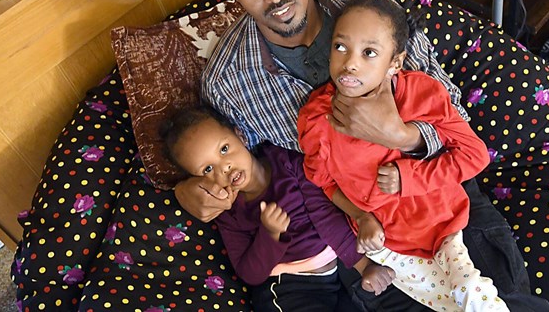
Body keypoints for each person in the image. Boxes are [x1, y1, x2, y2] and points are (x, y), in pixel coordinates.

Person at [174, 0, 549, 311]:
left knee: (503, 302)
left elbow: (456, 120)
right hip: (365, 234)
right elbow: (237, 164)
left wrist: (404, 136)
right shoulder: (228, 83)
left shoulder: (372, 14)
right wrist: (190, 190)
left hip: (443, 204)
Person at [298, 0, 508, 311]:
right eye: (340, 47)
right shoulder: (316, 118)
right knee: (449, 306)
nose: (350, 63)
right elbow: (324, 182)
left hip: (443, 223)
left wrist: (409, 175)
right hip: (387, 245)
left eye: (369, 53)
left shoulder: (421, 95)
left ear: (395, 63)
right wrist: (361, 216)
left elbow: (474, 155)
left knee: (470, 290)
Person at [162, 106, 397, 311]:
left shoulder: (287, 161)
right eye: (207, 170)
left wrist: (364, 265)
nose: (224, 167)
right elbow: (250, 274)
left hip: (335, 273)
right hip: (288, 289)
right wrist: (270, 234)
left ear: (240, 136)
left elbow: (325, 214)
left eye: (224, 149)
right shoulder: (230, 214)